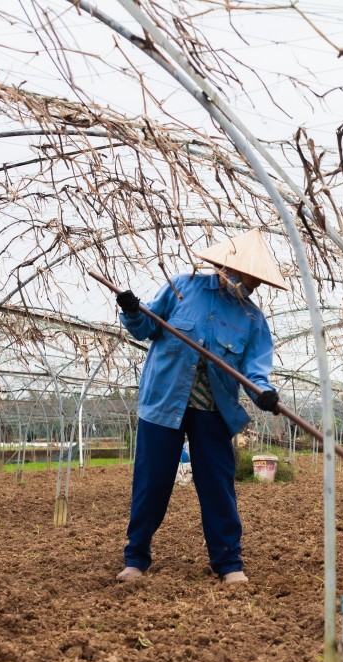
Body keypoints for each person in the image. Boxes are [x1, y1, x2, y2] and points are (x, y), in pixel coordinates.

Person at [114, 230, 286, 584]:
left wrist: (264, 394)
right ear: (226, 267)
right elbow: (146, 327)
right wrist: (133, 311)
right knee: (152, 483)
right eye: (246, 276)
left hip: (213, 411)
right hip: (164, 402)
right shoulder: (181, 289)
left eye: (255, 281)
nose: (250, 285)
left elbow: (255, 370)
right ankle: (136, 558)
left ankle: (228, 563)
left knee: (217, 485)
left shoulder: (252, 320)